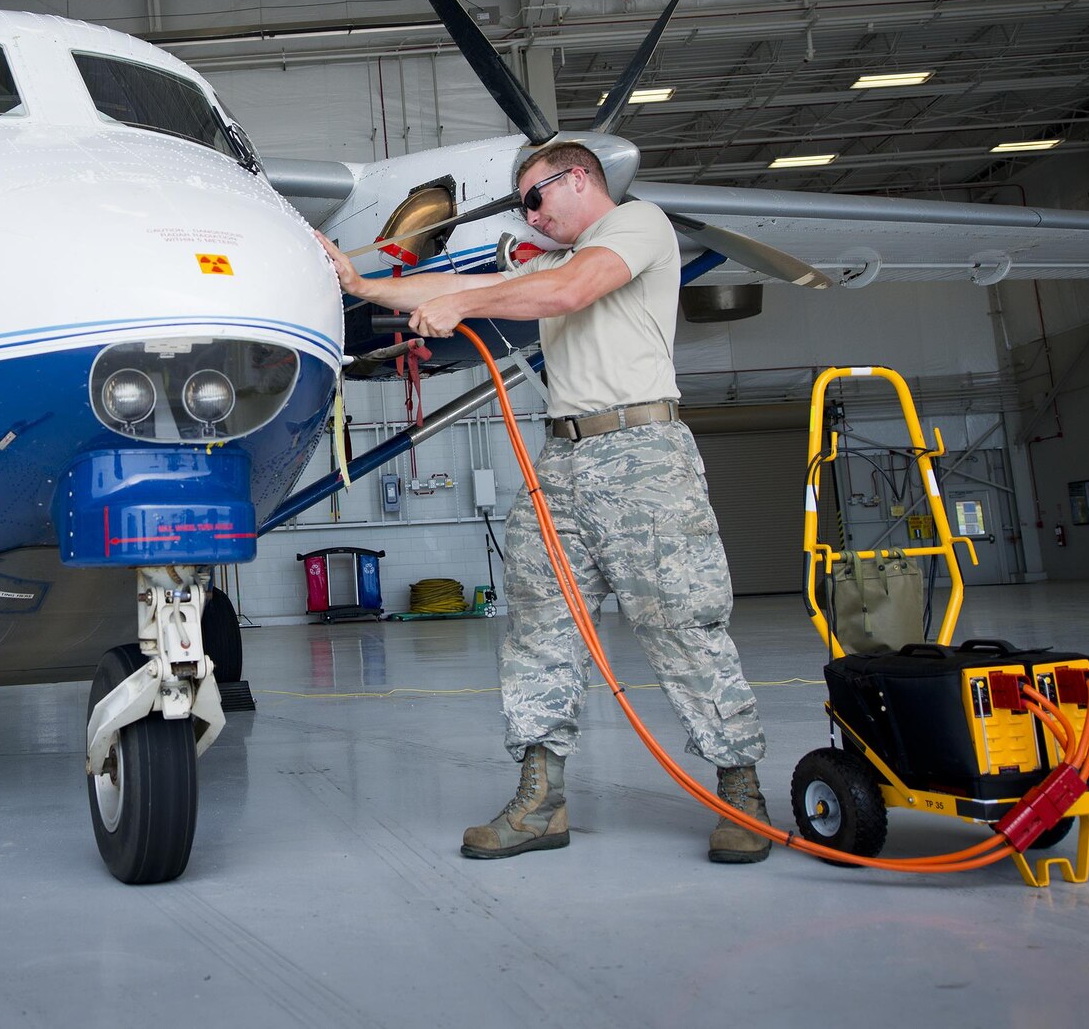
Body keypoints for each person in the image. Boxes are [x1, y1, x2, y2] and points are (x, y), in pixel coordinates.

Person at [318, 140, 771, 864]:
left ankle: (740, 793)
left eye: (535, 197)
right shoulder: (549, 264)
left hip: (642, 454)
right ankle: (541, 801)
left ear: (582, 177)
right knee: (537, 626)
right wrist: (364, 286)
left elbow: (566, 293)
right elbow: (469, 286)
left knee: (683, 623)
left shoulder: (637, 225)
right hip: (564, 458)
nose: (529, 214)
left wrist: (463, 298)